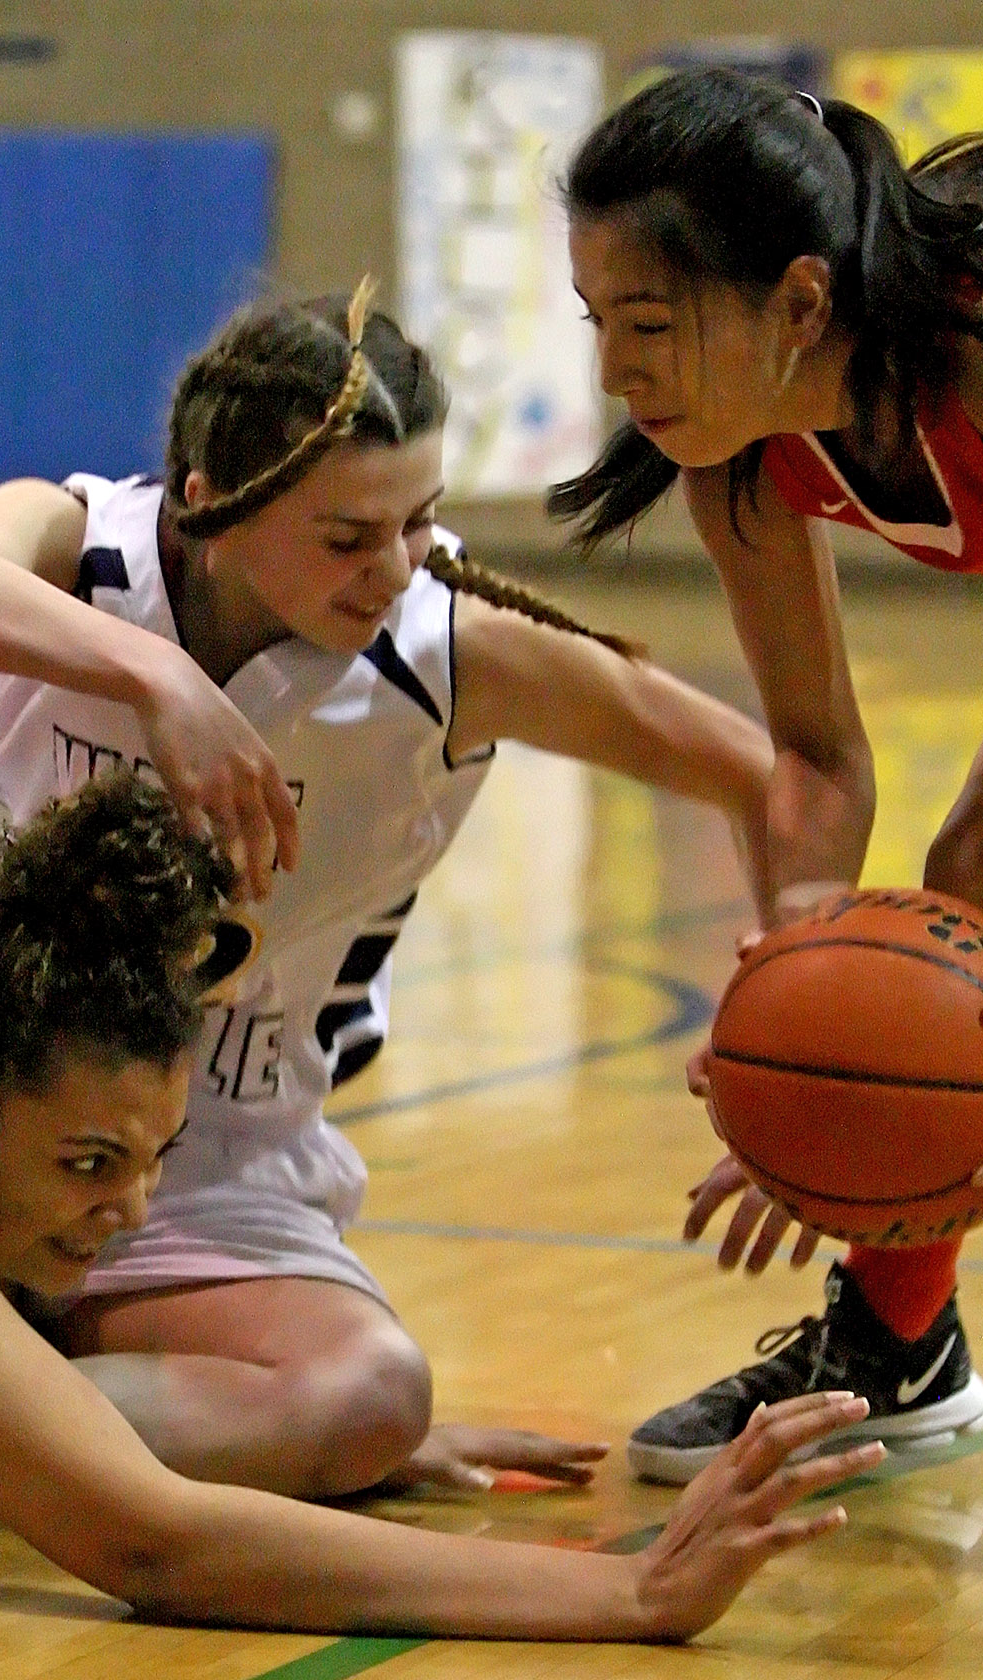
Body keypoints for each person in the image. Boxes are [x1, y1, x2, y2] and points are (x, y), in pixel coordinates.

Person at [0, 770, 877, 1641]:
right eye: (82, 1164)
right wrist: (618, 1599)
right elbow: (144, 1544)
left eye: (150, 1157)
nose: (125, 1213)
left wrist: (361, 1439)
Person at [0, 280, 786, 1507]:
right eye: (347, 537)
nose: (395, 571)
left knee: (366, 1401)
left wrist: (777, 1005)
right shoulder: (79, 550)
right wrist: (154, 677)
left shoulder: (445, 651)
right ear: (204, 500)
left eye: (420, 523)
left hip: (204, 1152)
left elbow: (768, 779)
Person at [549, 67, 983, 1484]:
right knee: (915, 963)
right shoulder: (740, 455)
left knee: (962, 895)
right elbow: (810, 754)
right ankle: (895, 1346)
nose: (614, 370)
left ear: (799, 303)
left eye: (649, 324)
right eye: (597, 324)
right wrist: (802, 991)